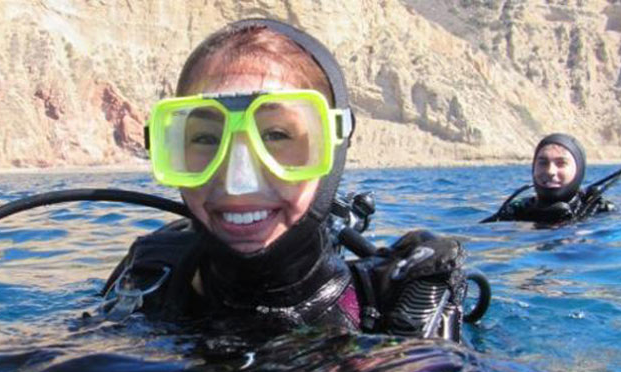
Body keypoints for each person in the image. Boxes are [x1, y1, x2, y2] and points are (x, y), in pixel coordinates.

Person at [99, 19, 473, 342]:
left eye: (276, 136)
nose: (237, 182)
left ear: (333, 146)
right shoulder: (148, 280)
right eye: (206, 139)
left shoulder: (389, 309)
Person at [481, 133, 621, 224]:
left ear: (579, 170)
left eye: (561, 163)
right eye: (543, 163)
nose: (550, 171)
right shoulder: (516, 211)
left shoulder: (600, 211)